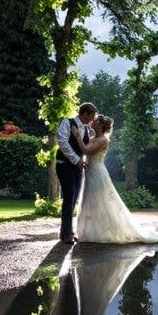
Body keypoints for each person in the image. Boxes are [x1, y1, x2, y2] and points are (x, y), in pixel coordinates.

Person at [71, 115, 158, 243]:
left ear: (101, 126)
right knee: (88, 200)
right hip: (89, 172)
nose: (93, 121)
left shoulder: (104, 140)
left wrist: (77, 137)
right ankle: (87, 232)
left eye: (96, 121)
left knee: (99, 201)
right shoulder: (93, 137)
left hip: (97, 173)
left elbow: (86, 150)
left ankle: (102, 232)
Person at [56, 102, 98, 244]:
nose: (92, 120)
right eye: (91, 117)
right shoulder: (67, 122)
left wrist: (83, 160)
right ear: (85, 113)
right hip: (64, 164)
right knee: (69, 197)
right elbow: (62, 142)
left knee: (74, 198)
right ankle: (65, 233)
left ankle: (68, 231)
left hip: (78, 167)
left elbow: (84, 147)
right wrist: (76, 160)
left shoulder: (86, 129)